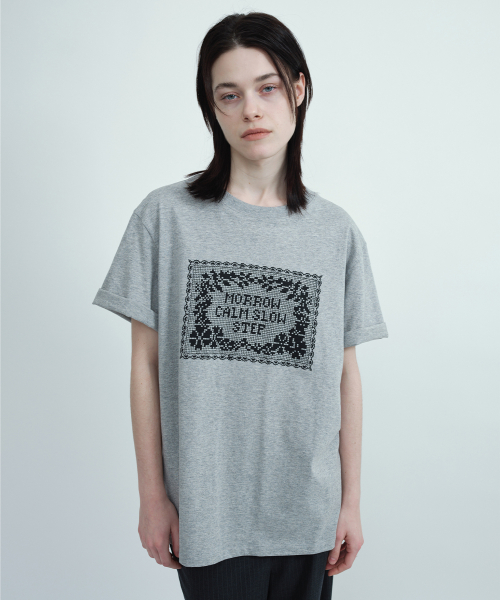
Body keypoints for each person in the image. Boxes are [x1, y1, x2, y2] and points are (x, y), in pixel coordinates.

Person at [92, 11, 388, 600]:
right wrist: (152, 497)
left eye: (267, 88)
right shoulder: (165, 218)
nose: (251, 109)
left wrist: (351, 501)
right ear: (213, 108)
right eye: (229, 94)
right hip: (207, 515)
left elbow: (345, 374)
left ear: (298, 90)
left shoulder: (336, 232)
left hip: (309, 513)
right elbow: (144, 366)